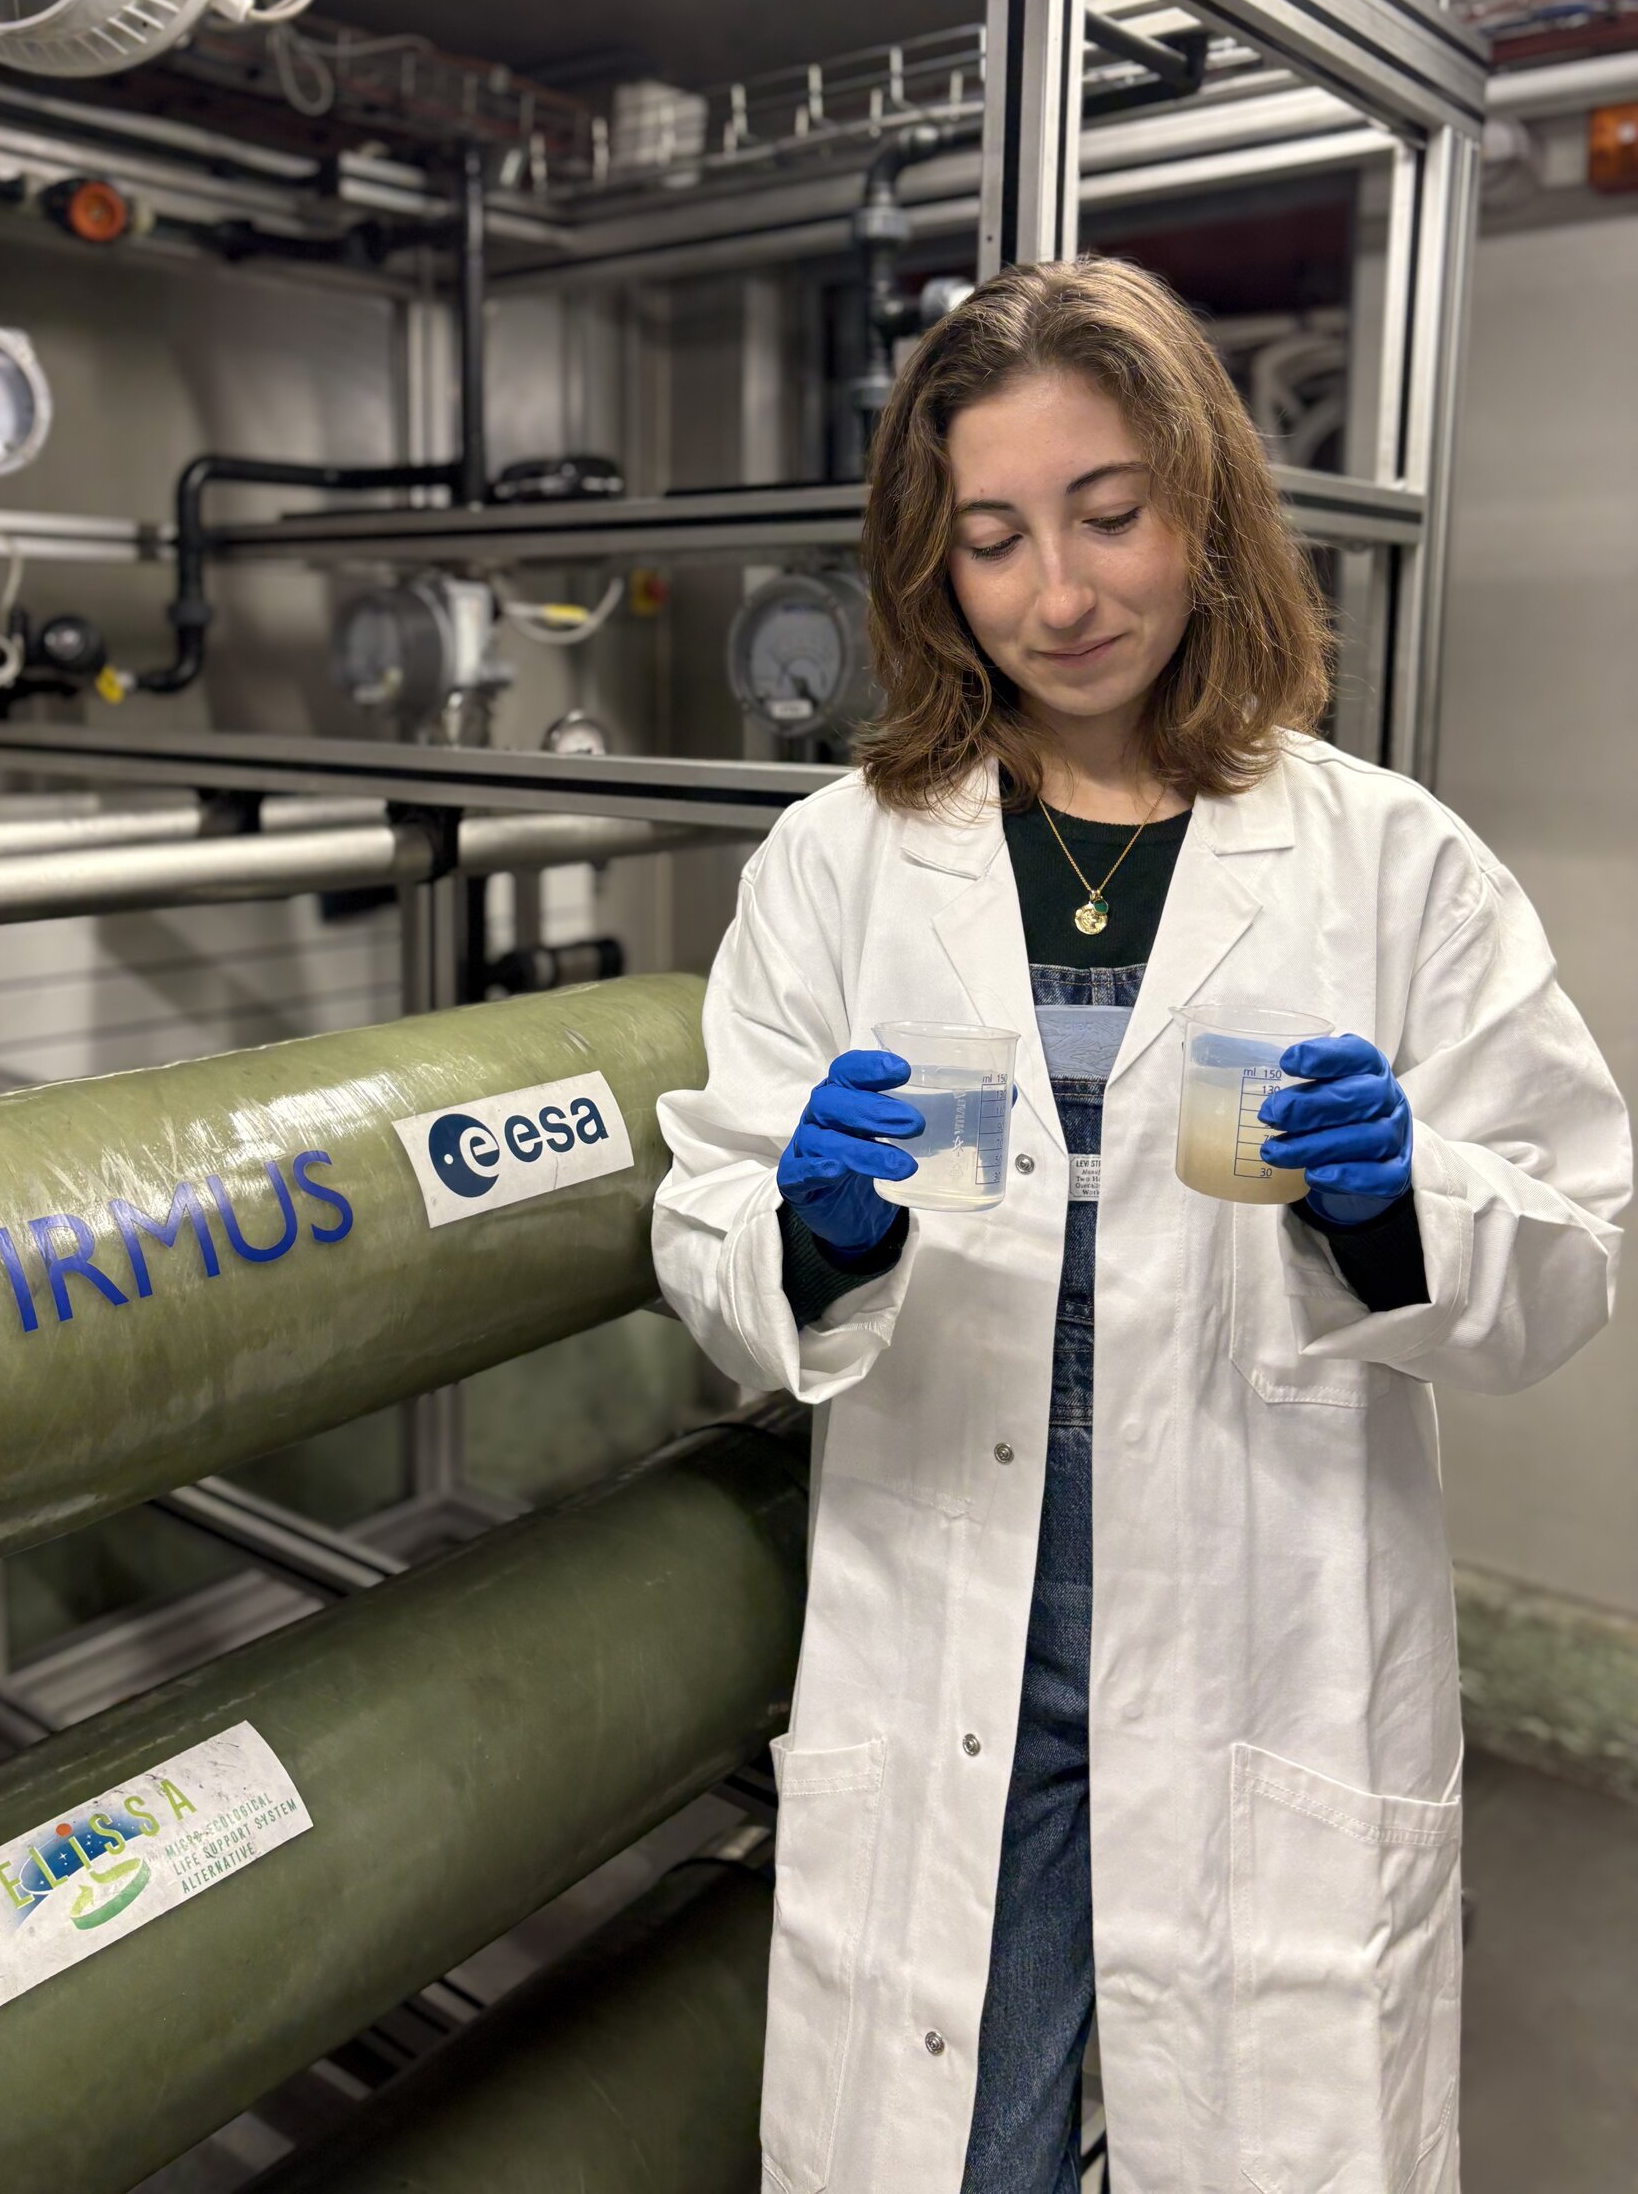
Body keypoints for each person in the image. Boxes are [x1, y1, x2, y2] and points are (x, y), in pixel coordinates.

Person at [651, 257, 1629, 2194]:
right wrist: (814, 1224)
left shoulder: (1385, 857)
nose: (1060, 594)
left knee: (1259, 2120)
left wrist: (1397, 1196)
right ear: (935, 564)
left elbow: (1575, 1245)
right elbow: (712, 1227)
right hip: (957, 1640)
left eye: (1108, 514)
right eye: (994, 538)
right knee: (955, 2146)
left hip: (1265, 1618)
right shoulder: (843, 861)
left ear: (1206, 504)